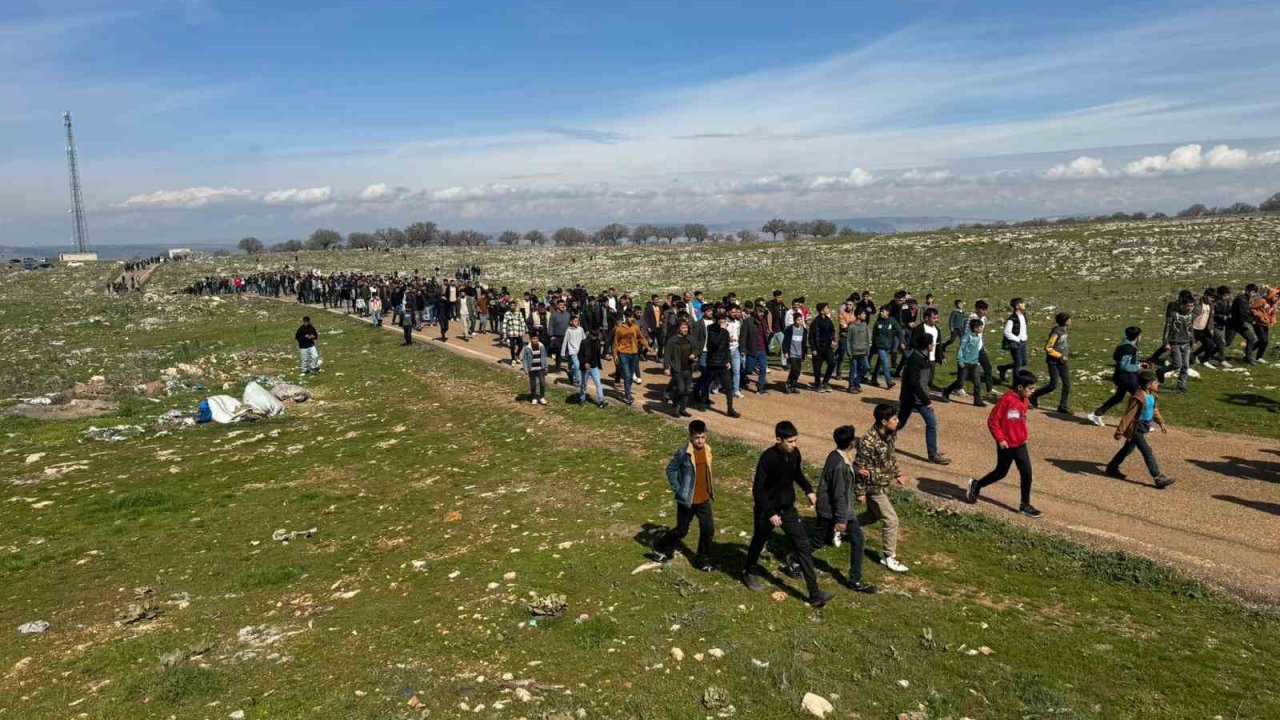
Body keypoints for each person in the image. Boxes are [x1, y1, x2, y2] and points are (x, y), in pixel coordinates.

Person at [741, 421, 834, 609]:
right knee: (759, 540)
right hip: (767, 510)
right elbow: (758, 491)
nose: (794, 444)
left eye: (795, 440)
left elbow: (797, 473)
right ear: (778, 439)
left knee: (803, 547)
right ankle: (749, 571)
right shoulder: (767, 458)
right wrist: (770, 513)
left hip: (788, 510)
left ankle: (815, 594)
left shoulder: (794, 454)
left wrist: (808, 490)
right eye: (790, 441)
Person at [967, 370, 1043, 517]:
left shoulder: (1024, 401)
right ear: (1020, 387)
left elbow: (1019, 420)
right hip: (1006, 445)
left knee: (1027, 473)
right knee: (1001, 472)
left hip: (1020, 443)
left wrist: (1022, 435)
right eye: (1030, 388)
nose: (1033, 391)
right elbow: (993, 421)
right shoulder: (1006, 400)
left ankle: (1025, 505)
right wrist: (1000, 439)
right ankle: (977, 484)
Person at [812, 424, 877, 593]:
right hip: (833, 511)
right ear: (852, 444)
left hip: (833, 509)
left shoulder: (836, 456)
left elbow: (847, 467)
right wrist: (841, 520)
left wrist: (857, 470)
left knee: (834, 540)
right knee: (821, 541)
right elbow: (839, 495)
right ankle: (796, 559)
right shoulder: (840, 465)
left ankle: (855, 578)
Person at [651, 420, 716, 571]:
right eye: (696, 438)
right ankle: (658, 545)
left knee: (708, 529)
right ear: (690, 437)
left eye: (702, 437)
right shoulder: (683, 453)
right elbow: (670, 469)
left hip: (704, 499)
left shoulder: (707, 450)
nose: (699, 441)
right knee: (682, 530)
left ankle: (701, 559)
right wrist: (678, 489)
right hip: (687, 500)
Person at [856, 404, 909, 573]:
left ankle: (840, 527)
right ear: (884, 421)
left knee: (872, 516)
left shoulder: (890, 433)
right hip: (872, 486)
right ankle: (889, 557)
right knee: (891, 520)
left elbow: (890, 456)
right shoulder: (868, 441)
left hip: (883, 482)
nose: (898, 421)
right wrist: (860, 492)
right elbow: (859, 467)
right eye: (894, 419)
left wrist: (897, 474)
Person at [1105, 370, 1175, 489]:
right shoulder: (1138, 397)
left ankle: (1112, 467)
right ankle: (1158, 477)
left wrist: (1161, 422)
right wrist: (1120, 431)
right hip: (1136, 428)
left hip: (1144, 427)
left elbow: (1154, 410)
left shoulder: (1152, 395)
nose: (1158, 384)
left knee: (1127, 449)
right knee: (1147, 451)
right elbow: (1129, 416)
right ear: (1149, 384)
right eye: (1156, 382)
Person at [898, 334, 950, 465]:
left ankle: (880, 437)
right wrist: (927, 401)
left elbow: (923, 382)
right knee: (931, 423)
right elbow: (915, 383)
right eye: (932, 344)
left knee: (899, 423)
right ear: (928, 346)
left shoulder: (922, 358)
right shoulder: (915, 359)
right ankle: (932, 455)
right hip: (914, 398)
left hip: (915, 397)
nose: (933, 346)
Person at [1088, 326, 1144, 427]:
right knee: (1139, 398)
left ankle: (1097, 413)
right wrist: (1138, 366)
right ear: (1137, 336)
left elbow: (1116, 357)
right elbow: (1125, 365)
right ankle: (1137, 422)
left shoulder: (1123, 344)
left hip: (1121, 376)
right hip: (1128, 377)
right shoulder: (1129, 348)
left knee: (1118, 397)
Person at [1029, 312, 1072, 413]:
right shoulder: (1057, 332)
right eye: (1069, 319)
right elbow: (1048, 347)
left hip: (1062, 362)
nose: (1070, 321)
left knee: (1067, 384)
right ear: (1065, 321)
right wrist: (1060, 355)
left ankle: (1063, 406)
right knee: (1053, 385)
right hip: (1053, 362)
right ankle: (1034, 395)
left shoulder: (1065, 330)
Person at [942, 318, 985, 406]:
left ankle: (977, 401)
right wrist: (960, 360)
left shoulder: (977, 337)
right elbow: (961, 348)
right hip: (964, 363)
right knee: (960, 382)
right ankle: (946, 391)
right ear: (975, 328)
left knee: (977, 382)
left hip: (974, 363)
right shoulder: (967, 336)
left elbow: (976, 350)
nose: (982, 328)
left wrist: (977, 361)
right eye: (980, 327)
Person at [612, 308, 651, 404]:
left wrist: (647, 346)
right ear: (625, 317)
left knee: (629, 376)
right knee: (627, 375)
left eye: (632, 317)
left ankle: (627, 392)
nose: (631, 319)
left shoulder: (635, 327)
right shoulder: (619, 329)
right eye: (629, 317)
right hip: (623, 354)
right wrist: (615, 355)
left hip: (634, 354)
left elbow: (641, 337)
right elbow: (615, 343)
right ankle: (627, 395)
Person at [1162, 291, 1196, 391]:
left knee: (1185, 365)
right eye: (1188, 306)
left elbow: (1191, 329)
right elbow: (1167, 327)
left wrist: (1192, 341)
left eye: (1192, 306)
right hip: (1175, 342)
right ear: (1182, 305)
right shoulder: (1173, 315)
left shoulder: (1191, 316)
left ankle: (1182, 384)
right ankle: (1161, 371)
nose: (1190, 308)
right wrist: (1165, 341)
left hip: (1186, 343)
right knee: (1177, 364)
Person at [663, 318, 697, 417]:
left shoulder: (690, 338)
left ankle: (683, 409)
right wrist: (666, 367)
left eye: (686, 327)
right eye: (683, 327)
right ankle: (676, 409)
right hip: (677, 369)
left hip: (688, 368)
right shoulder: (672, 340)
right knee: (681, 389)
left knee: (686, 390)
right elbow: (667, 355)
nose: (685, 329)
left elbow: (696, 349)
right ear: (678, 328)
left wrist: (694, 354)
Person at [997, 297, 1028, 383]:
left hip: (1023, 342)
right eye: (1022, 303)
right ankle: (1015, 383)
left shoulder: (1023, 316)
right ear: (1017, 306)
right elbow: (1007, 332)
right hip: (1016, 343)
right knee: (1018, 363)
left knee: (1023, 362)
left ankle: (1003, 368)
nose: (1024, 304)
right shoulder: (1012, 319)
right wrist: (1017, 339)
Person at [869, 306, 899, 388]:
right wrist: (874, 345)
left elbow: (899, 330)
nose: (881, 313)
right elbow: (874, 335)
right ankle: (889, 381)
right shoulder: (878, 322)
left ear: (887, 312)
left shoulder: (892, 321)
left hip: (888, 346)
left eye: (883, 311)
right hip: (880, 346)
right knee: (885, 362)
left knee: (880, 363)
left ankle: (874, 379)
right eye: (880, 311)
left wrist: (902, 341)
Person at [577, 328, 607, 408]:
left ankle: (601, 400)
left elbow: (597, 354)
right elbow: (579, 355)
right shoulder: (584, 342)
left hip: (594, 366)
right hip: (585, 367)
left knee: (598, 383)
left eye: (596, 335)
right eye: (594, 335)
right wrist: (585, 363)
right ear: (590, 334)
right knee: (584, 383)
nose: (595, 337)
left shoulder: (597, 342)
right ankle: (582, 398)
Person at [810, 303, 837, 391]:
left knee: (832, 363)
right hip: (818, 348)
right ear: (822, 311)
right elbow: (811, 337)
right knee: (817, 367)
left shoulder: (828, 320)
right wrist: (813, 348)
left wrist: (833, 340)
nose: (828, 309)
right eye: (826, 308)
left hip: (827, 347)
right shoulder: (815, 322)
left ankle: (825, 382)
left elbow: (832, 331)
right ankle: (817, 384)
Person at [844, 307, 871, 393]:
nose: (865, 315)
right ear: (859, 315)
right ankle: (851, 386)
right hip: (854, 352)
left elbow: (868, 338)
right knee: (853, 370)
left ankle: (856, 381)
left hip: (863, 352)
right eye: (863, 314)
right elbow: (848, 340)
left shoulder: (865, 325)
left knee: (866, 368)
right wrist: (849, 351)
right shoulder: (852, 326)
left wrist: (868, 349)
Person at [781, 310, 808, 393]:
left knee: (798, 371)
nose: (800, 321)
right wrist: (785, 352)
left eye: (801, 319)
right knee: (794, 369)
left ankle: (793, 385)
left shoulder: (804, 330)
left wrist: (804, 353)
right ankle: (788, 384)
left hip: (799, 354)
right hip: (791, 353)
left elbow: (804, 343)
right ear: (794, 320)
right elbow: (785, 341)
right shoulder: (790, 329)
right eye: (798, 320)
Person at [520, 332, 548, 405]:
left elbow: (544, 357)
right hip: (532, 369)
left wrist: (546, 367)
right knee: (533, 384)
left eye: (536, 338)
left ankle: (541, 397)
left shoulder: (541, 346)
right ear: (530, 339)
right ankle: (534, 397)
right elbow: (525, 359)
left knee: (542, 383)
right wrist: (526, 370)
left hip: (540, 368)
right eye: (533, 339)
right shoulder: (527, 348)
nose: (535, 340)